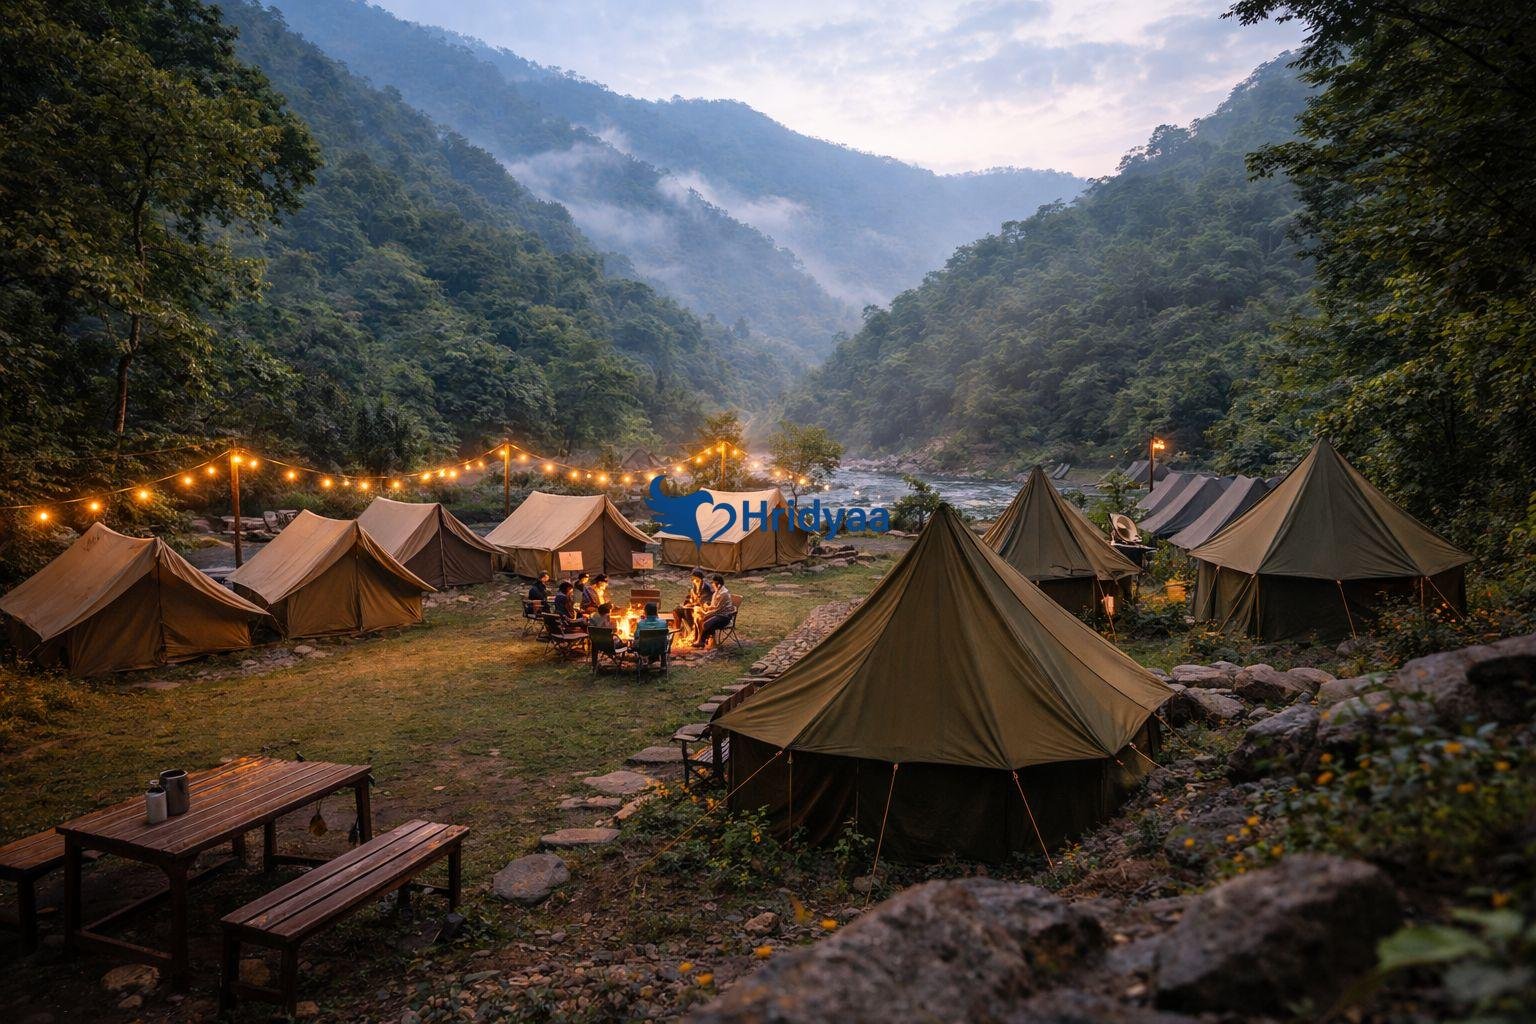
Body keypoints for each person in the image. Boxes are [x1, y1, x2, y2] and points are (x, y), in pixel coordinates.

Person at [696, 574, 734, 648]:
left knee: (706, 624)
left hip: (724, 617)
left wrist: (706, 613)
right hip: (717, 613)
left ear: (719, 584)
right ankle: (704, 640)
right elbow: (714, 606)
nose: (712, 585)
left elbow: (717, 610)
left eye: (713, 583)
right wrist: (707, 607)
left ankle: (702, 642)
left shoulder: (723, 594)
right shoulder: (717, 592)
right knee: (700, 619)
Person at [674, 568, 713, 632]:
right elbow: (692, 596)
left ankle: (692, 630)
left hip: (703, 608)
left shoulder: (706, 587)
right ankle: (677, 630)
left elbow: (704, 601)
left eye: (694, 578)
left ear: (699, 578)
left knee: (687, 610)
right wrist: (689, 602)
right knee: (677, 610)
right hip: (695, 605)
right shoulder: (695, 584)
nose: (692, 580)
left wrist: (692, 604)